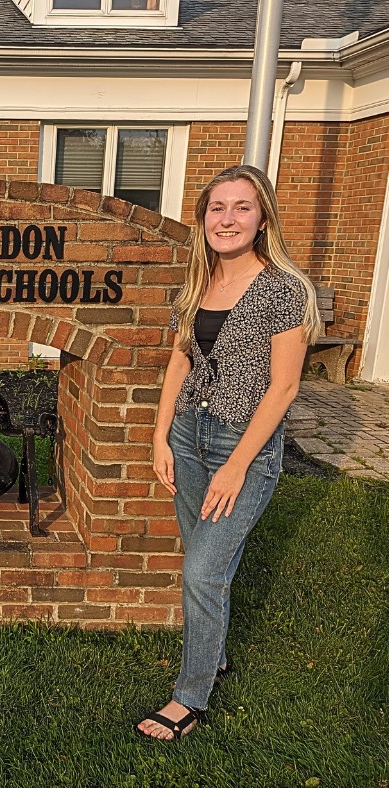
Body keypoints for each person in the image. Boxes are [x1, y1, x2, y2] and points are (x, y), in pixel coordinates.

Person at [137, 165, 321, 740]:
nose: (228, 219)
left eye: (242, 207)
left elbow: (284, 387)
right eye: (217, 207)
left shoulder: (283, 289)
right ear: (203, 218)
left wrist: (237, 466)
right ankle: (213, 654)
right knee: (207, 561)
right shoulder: (198, 282)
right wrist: (160, 436)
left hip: (243, 446)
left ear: (262, 218)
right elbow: (180, 360)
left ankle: (189, 699)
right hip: (188, 436)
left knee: (202, 570)